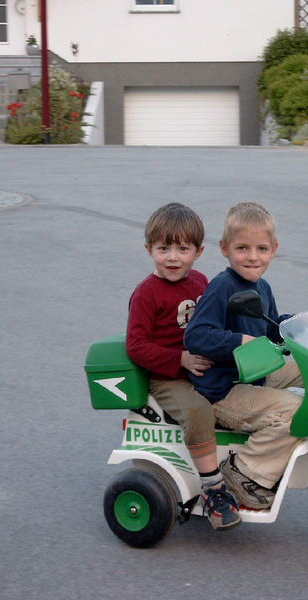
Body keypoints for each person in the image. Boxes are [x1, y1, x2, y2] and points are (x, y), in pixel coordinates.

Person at [126, 203, 241, 530]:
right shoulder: (146, 293)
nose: (173, 257)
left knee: (247, 390)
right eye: (164, 248)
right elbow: (136, 345)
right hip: (168, 377)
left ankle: (246, 470)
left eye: (182, 249)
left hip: (202, 367)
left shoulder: (202, 282)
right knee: (198, 412)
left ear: (199, 251)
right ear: (150, 249)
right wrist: (180, 359)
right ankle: (213, 490)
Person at [184, 202, 303, 510]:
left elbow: (271, 327)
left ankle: (287, 452)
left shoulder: (262, 286)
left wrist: (299, 327)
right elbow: (196, 335)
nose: (253, 256)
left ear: (274, 249)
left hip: (255, 370)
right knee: (298, 411)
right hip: (223, 387)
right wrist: (239, 340)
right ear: (224, 248)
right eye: (242, 247)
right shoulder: (221, 287)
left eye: (262, 248)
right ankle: (243, 471)